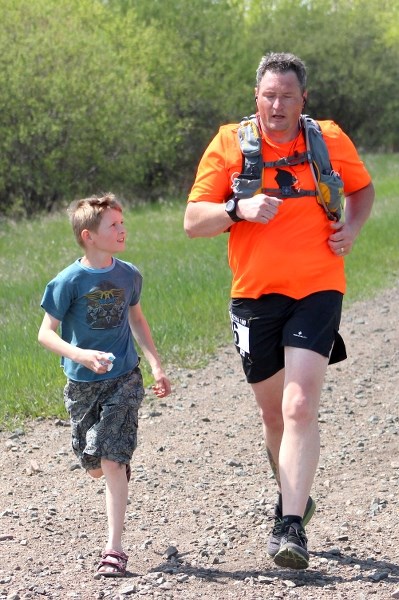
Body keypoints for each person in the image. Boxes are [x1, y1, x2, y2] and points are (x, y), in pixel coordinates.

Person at [184, 52, 374, 570]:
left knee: (298, 407)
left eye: (288, 96)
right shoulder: (230, 143)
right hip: (253, 296)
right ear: (256, 98)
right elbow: (192, 221)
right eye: (269, 95)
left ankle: (289, 526)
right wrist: (235, 208)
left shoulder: (328, 140)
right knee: (273, 414)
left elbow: (361, 189)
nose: (278, 105)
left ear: (302, 99)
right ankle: (295, 496)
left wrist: (351, 230)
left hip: (318, 288)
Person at [38, 193, 171, 578]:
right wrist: (80, 356)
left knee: (112, 457)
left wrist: (156, 365)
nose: (122, 229)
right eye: (113, 225)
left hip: (125, 378)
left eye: (122, 222)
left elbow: (138, 322)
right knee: (90, 457)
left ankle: (114, 549)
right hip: (82, 383)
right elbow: (46, 334)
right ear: (89, 236)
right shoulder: (68, 281)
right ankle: (109, 461)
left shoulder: (129, 274)